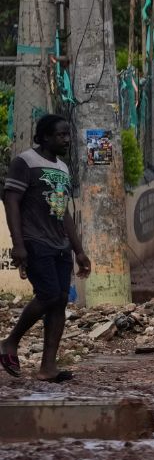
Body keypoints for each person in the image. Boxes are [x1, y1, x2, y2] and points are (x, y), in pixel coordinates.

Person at [0, 114, 92, 382]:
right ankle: (9, 342)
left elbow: (63, 212)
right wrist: (18, 244)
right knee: (49, 295)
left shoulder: (62, 168)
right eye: (61, 135)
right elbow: (11, 202)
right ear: (45, 137)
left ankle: (48, 367)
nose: (66, 139)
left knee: (60, 301)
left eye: (67, 134)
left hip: (60, 244)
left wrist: (79, 250)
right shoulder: (25, 162)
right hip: (35, 240)